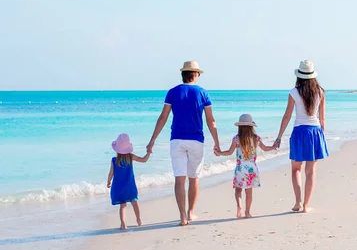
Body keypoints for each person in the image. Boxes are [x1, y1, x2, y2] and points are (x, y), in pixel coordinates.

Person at [146, 61, 220, 226]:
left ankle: (182, 217)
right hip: (196, 140)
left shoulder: (172, 92)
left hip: (176, 140)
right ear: (196, 74)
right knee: (194, 178)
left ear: (183, 74)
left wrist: (152, 140)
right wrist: (217, 142)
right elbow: (210, 120)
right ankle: (191, 213)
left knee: (180, 179)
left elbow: (163, 117)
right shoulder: (203, 93)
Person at [274, 60, 329, 213]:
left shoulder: (294, 92)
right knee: (311, 171)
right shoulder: (321, 92)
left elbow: (287, 116)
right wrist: (322, 136)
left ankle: (298, 201)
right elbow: (322, 118)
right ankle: (306, 205)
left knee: (296, 169)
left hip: (299, 132)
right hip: (315, 131)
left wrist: (279, 137)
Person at [214, 114, 276, 218]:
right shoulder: (256, 138)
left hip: (240, 168)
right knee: (249, 192)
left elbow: (229, 152)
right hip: (252, 169)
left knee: (238, 190)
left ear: (240, 127)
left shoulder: (236, 139)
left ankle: (239, 207)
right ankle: (247, 212)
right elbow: (265, 148)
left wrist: (219, 153)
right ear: (251, 126)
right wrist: (273, 147)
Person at [107, 133, 151, 230]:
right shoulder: (131, 157)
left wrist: (108, 182)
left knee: (123, 206)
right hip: (130, 186)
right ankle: (139, 220)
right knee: (134, 202)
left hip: (119, 187)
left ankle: (123, 224)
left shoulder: (114, 160)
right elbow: (143, 160)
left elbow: (111, 173)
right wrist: (148, 153)